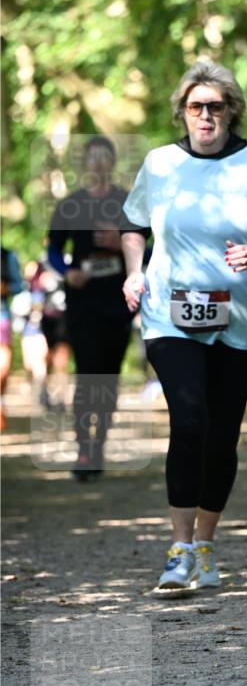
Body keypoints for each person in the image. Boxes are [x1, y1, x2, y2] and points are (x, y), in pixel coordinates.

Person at [121, 59, 247, 596]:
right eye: (196, 106)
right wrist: (135, 273)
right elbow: (132, 225)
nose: (205, 116)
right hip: (169, 316)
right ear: (182, 111)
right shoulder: (159, 164)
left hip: (239, 319)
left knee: (222, 438)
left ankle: (205, 543)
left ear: (231, 112)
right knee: (191, 418)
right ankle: (178, 549)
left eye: (215, 107)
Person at [48, 136, 134, 479]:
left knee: (109, 377)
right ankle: (83, 447)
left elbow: (151, 247)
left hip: (118, 302)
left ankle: (100, 445)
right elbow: (53, 249)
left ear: (112, 162)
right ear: (85, 163)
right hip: (82, 304)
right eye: (92, 157)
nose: (98, 163)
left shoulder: (127, 203)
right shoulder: (70, 205)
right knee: (87, 374)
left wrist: (122, 241)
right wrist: (67, 272)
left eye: (104, 157)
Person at [19, 258, 69, 410]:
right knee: (44, 359)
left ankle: (60, 397)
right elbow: (29, 287)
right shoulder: (39, 265)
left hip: (63, 317)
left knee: (61, 359)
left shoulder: (68, 259)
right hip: (44, 320)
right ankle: (45, 394)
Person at [0, 245, 23, 430]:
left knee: (3, 369)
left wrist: (6, 288)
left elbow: (19, 285)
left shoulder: (8, 256)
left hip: (2, 317)